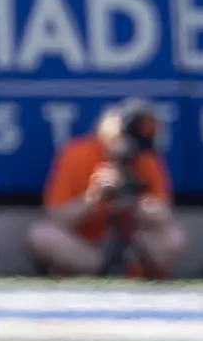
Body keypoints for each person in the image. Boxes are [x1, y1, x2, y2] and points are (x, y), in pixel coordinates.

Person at [26, 99, 186, 279]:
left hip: (133, 242)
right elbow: (56, 216)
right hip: (88, 244)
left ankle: (131, 269)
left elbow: (163, 214)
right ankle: (100, 268)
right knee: (42, 234)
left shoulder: (146, 157)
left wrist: (135, 202)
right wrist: (93, 198)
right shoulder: (76, 153)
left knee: (173, 236)